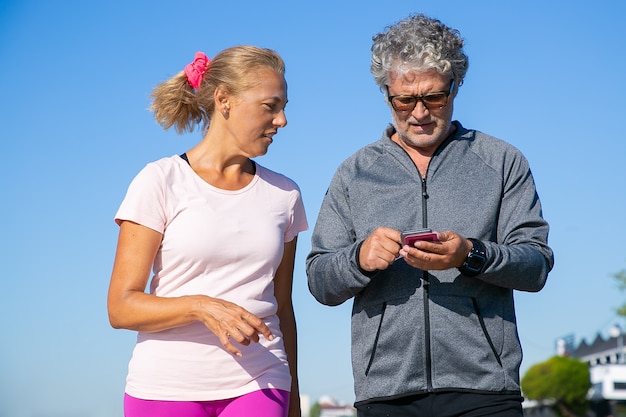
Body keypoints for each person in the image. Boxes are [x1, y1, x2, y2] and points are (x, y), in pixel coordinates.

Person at [306, 14, 554, 417]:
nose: (419, 112)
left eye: (434, 97)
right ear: (386, 95)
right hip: (386, 394)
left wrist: (471, 254)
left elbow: (536, 265)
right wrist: (359, 259)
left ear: (455, 87)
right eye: (405, 100)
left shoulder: (502, 161)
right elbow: (319, 280)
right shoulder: (353, 173)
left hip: (486, 392)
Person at [107, 46, 307, 417]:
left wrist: (293, 398)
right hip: (165, 386)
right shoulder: (160, 181)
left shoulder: (286, 195)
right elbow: (120, 307)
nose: (282, 120)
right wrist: (200, 306)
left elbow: (283, 306)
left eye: (284, 107)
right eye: (270, 106)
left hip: (262, 382)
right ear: (224, 100)